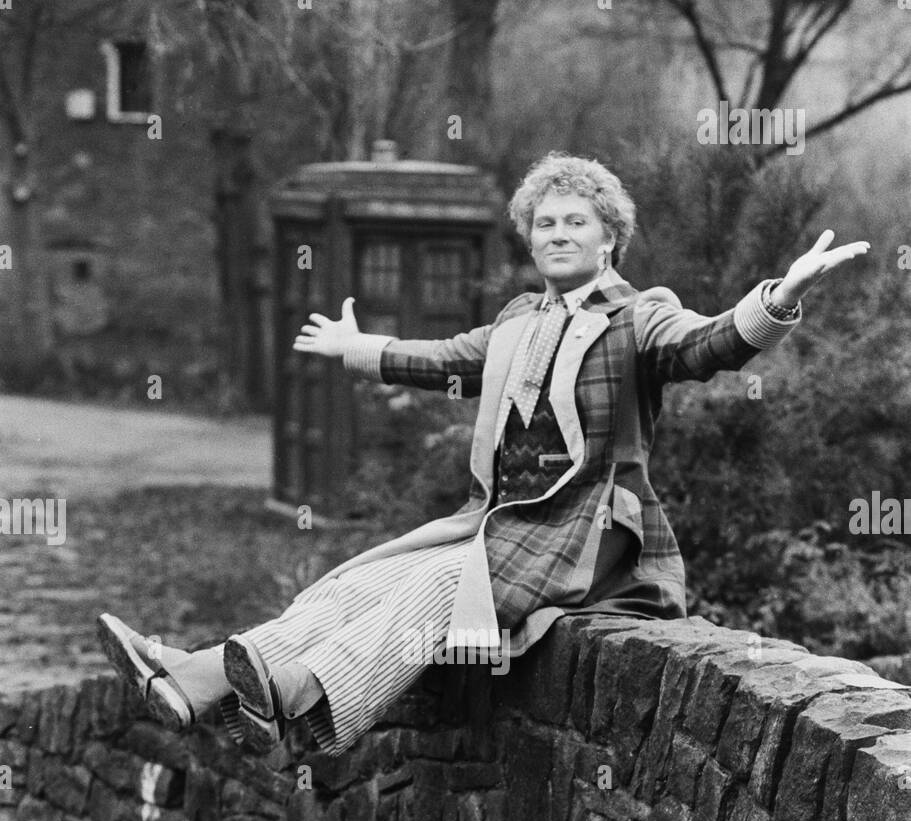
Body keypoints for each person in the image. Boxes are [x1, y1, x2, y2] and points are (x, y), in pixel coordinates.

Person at [97, 151, 869, 757]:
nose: (557, 234)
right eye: (543, 224)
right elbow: (445, 358)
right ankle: (195, 680)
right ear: (529, 240)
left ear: (609, 238)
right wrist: (357, 346)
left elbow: (705, 346)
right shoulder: (515, 320)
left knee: (434, 585)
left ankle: (292, 697)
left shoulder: (640, 317)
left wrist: (777, 299)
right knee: (364, 578)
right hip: (496, 524)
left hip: (593, 536)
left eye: (575, 222)